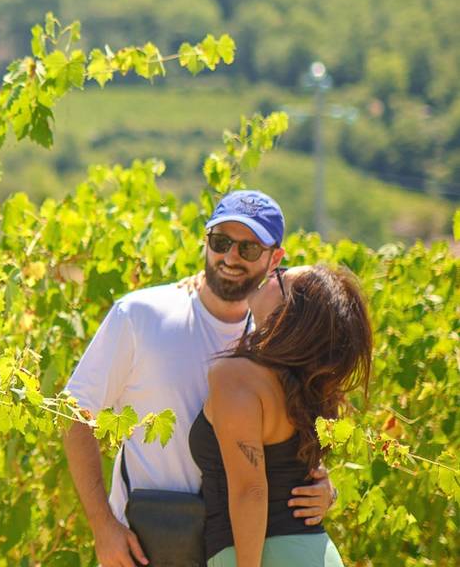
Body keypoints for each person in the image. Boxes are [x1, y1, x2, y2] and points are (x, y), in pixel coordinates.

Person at [62, 190, 335, 567]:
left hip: (242, 550)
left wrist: (323, 486)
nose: (230, 257)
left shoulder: (277, 338)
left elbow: (293, 433)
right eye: (220, 242)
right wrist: (103, 525)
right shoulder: (141, 316)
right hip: (149, 548)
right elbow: (76, 415)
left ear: (275, 258)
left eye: (248, 248)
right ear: (205, 241)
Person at [191, 264, 371, 566]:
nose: (272, 271)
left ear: (286, 312)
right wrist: (331, 492)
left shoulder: (236, 377)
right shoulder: (306, 387)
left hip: (257, 555)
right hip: (315, 552)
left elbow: (251, 490)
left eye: (281, 275)